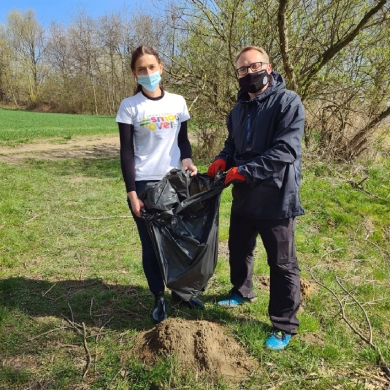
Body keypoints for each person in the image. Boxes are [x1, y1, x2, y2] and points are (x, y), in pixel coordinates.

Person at [207, 46, 305, 350]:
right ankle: (242, 290)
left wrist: (245, 171)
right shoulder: (236, 111)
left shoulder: (287, 102)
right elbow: (231, 145)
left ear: (269, 67)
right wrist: (223, 160)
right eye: (242, 69)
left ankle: (283, 323)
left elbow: (286, 150)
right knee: (239, 248)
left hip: (277, 196)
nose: (249, 73)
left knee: (282, 263)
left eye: (255, 66)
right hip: (244, 195)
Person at [116, 46, 204, 324]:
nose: (148, 73)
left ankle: (181, 291)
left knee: (179, 241)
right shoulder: (129, 107)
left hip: (176, 183)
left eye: (152, 67)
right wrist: (132, 193)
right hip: (145, 184)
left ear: (161, 67)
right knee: (152, 244)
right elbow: (127, 152)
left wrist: (187, 159)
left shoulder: (177, 102)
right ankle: (158, 297)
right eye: (141, 69)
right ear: (134, 73)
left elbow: (183, 141)